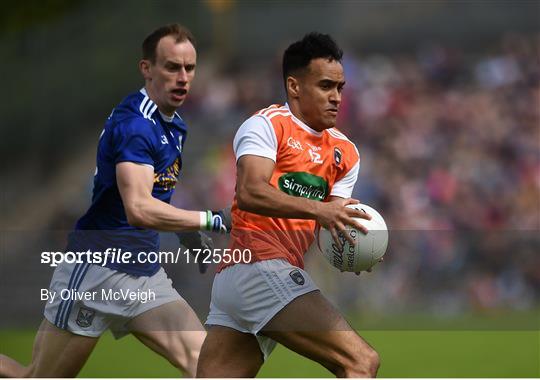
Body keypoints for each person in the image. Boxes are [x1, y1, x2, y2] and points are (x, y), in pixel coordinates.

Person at [0, 24, 229, 378]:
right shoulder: (136, 125)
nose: (183, 77)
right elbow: (138, 209)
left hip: (144, 274)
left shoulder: (174, 124)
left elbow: (156, 195)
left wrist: (186, 234)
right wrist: (211, 220)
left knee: (209, 367)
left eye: (190, 68)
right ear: (147, 68)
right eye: (171, 67)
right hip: (96, 273)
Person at [196, 32, 380, 378]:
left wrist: (357, 249)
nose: (336, 98)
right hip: (258, 265)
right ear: (294, 87)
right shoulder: (266, 126)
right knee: (360, 361)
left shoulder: (346, 153)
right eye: (326, 86)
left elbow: (333, 225)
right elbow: (251, 192)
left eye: (340, 88)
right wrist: (321, 210)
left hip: (250, 278)